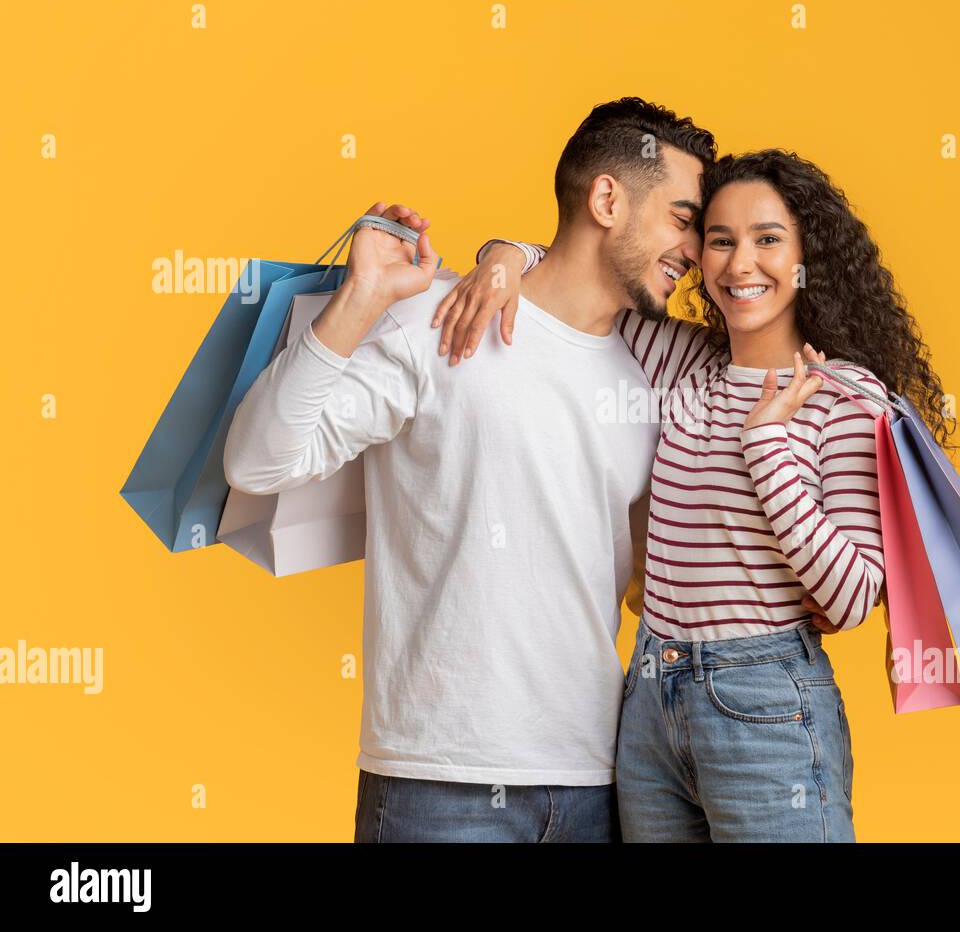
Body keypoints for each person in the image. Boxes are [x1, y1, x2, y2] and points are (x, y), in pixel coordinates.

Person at [222, 97, 721, 842]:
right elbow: (257, 462)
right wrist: (361, 298)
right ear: (607, 199)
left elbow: (651, 578)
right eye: (682, 218)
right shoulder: (437, 324)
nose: (695, 250)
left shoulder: (648, 373)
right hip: (436, 782)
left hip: (596, 782)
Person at [437, 148, 955, 841]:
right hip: (648, 703)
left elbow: (851, 597)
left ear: (809, 258)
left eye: (768, 240)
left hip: (766, 703)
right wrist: (503, 255)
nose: (741, 264)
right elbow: (577, 277)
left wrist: (767, 446)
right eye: (720, 240)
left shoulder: (847, 399)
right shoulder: (682, 361)